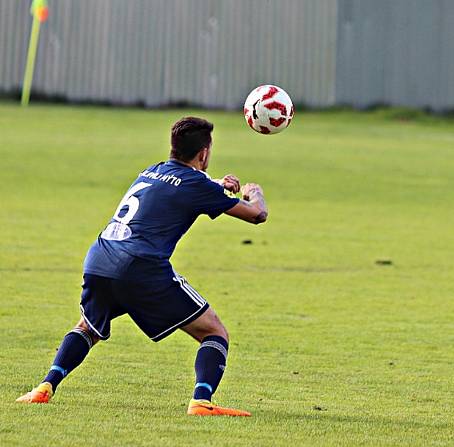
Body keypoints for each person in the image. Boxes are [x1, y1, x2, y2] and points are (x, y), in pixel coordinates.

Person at [15, 117, 268, 417]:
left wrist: (217, 185)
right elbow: (256, 215)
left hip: (100, 258)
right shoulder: (197, 185)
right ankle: (202, 401)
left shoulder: (152, 170)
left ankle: (45, 387)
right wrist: (254, 192)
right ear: (203, 154)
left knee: (88, 327)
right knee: (214, 332)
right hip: (140, 267)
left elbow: (184, 187)